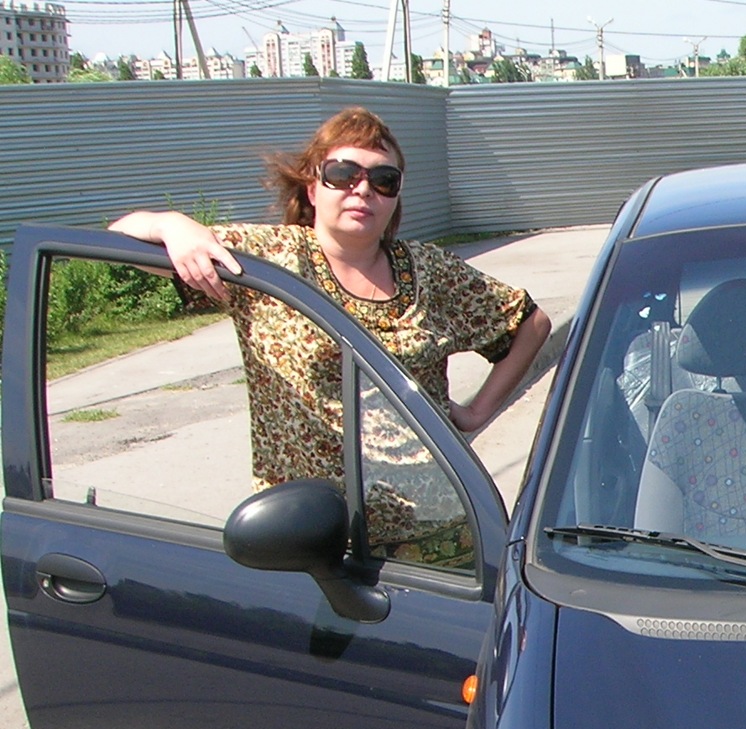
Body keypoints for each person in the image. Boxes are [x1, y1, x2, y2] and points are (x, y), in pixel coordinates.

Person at [110, 106, 551, 565]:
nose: (363, 189)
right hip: (314, 543)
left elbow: (530, 323)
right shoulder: (266, 261)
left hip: (441, 537)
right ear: (312, 187)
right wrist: (172, 226)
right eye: (343, 174)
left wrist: (476, 412)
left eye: (384, 180)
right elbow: (121, 238)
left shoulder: (431, 270)